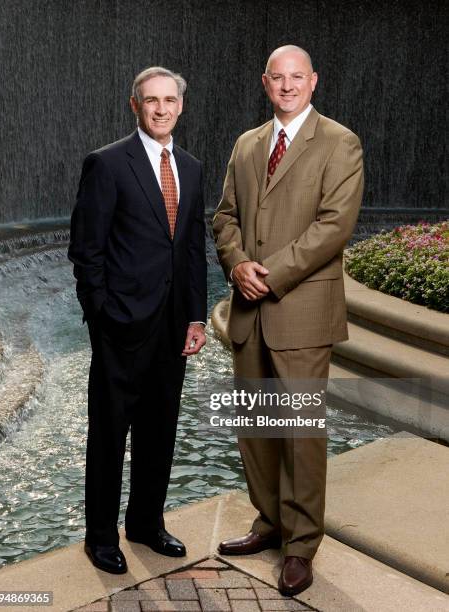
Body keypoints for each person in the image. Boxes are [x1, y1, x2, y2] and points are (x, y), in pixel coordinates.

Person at [213, 45, 364, 595]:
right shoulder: (247, 143)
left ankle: (300, 545)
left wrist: (268, 274)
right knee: (256, 429)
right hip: (248, 314)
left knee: (300, 434)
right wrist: (236, 265)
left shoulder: (340, 143)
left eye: (296, 77)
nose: (287, 85)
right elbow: (224, 216)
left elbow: (333, 227)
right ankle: (269, 522)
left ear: (313, 81)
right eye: (278, 77)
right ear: (265, 82)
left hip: (299, 311)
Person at [68, 67, 207, 574]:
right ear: (135, 105)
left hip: (173, 328)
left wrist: (196, 316)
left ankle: (146, 524)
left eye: (170, 100)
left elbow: (192, 248)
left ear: (181, 106)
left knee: (159, 430)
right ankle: (100, 537)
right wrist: (102, 316)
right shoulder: (106, 163)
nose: (162, 108)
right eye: (152, 100)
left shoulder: (190, 167)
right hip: (120, 326)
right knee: (109, 435)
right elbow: (86, 251)